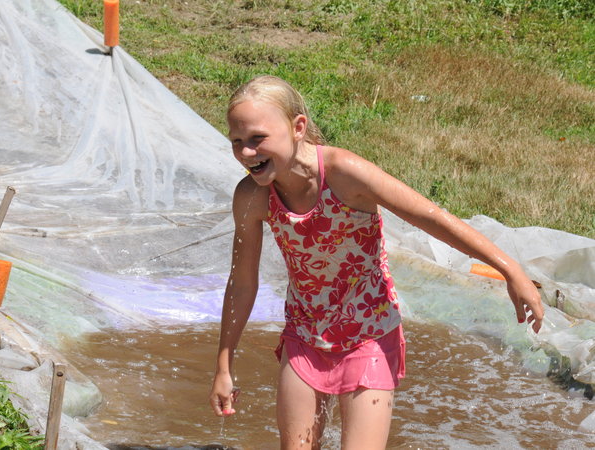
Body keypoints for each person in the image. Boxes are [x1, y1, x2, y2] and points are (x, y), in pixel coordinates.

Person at [208, 75, 544, 449]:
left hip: (368, 332)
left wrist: (510, 270)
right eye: (236, 141)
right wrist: (224, 365)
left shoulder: (344, 173)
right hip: (305, 332)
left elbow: (431, 217)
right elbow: (242, 282)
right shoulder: (252, 197)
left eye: (257, 138)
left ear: (297, 127)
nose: (246, 152)